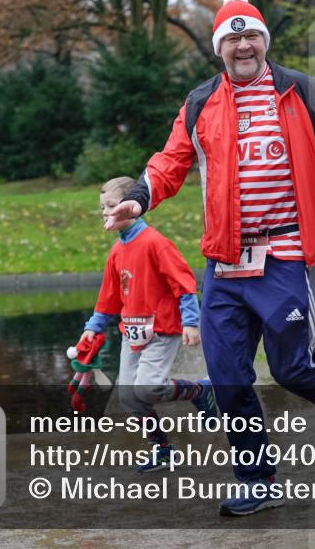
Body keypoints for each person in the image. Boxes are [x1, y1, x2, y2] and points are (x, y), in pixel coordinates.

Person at [104, 0, 315, 516]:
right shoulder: (200, 102)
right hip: (227, 263)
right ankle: (259, 478)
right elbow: (168, 163)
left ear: (264, 42)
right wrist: (137, 199)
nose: (243, 45)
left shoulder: (301, 90)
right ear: (219, 49)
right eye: (232, 38)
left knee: (293, 367)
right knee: (228, 378)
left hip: (287, 254)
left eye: (250, 35)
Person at [77, 176, 216, 473]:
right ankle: (162, 449)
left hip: (162, 330)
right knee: (129, 396)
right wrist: (93, 328)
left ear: (132, 208)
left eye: (112, 206)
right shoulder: (117, 252)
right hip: (132, 334)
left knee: (149, 388)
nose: (106, 213)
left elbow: (184, 283)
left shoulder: (155, 243)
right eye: (103, 208)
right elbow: (109, 299)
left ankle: (200, 391)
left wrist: (191, 321)